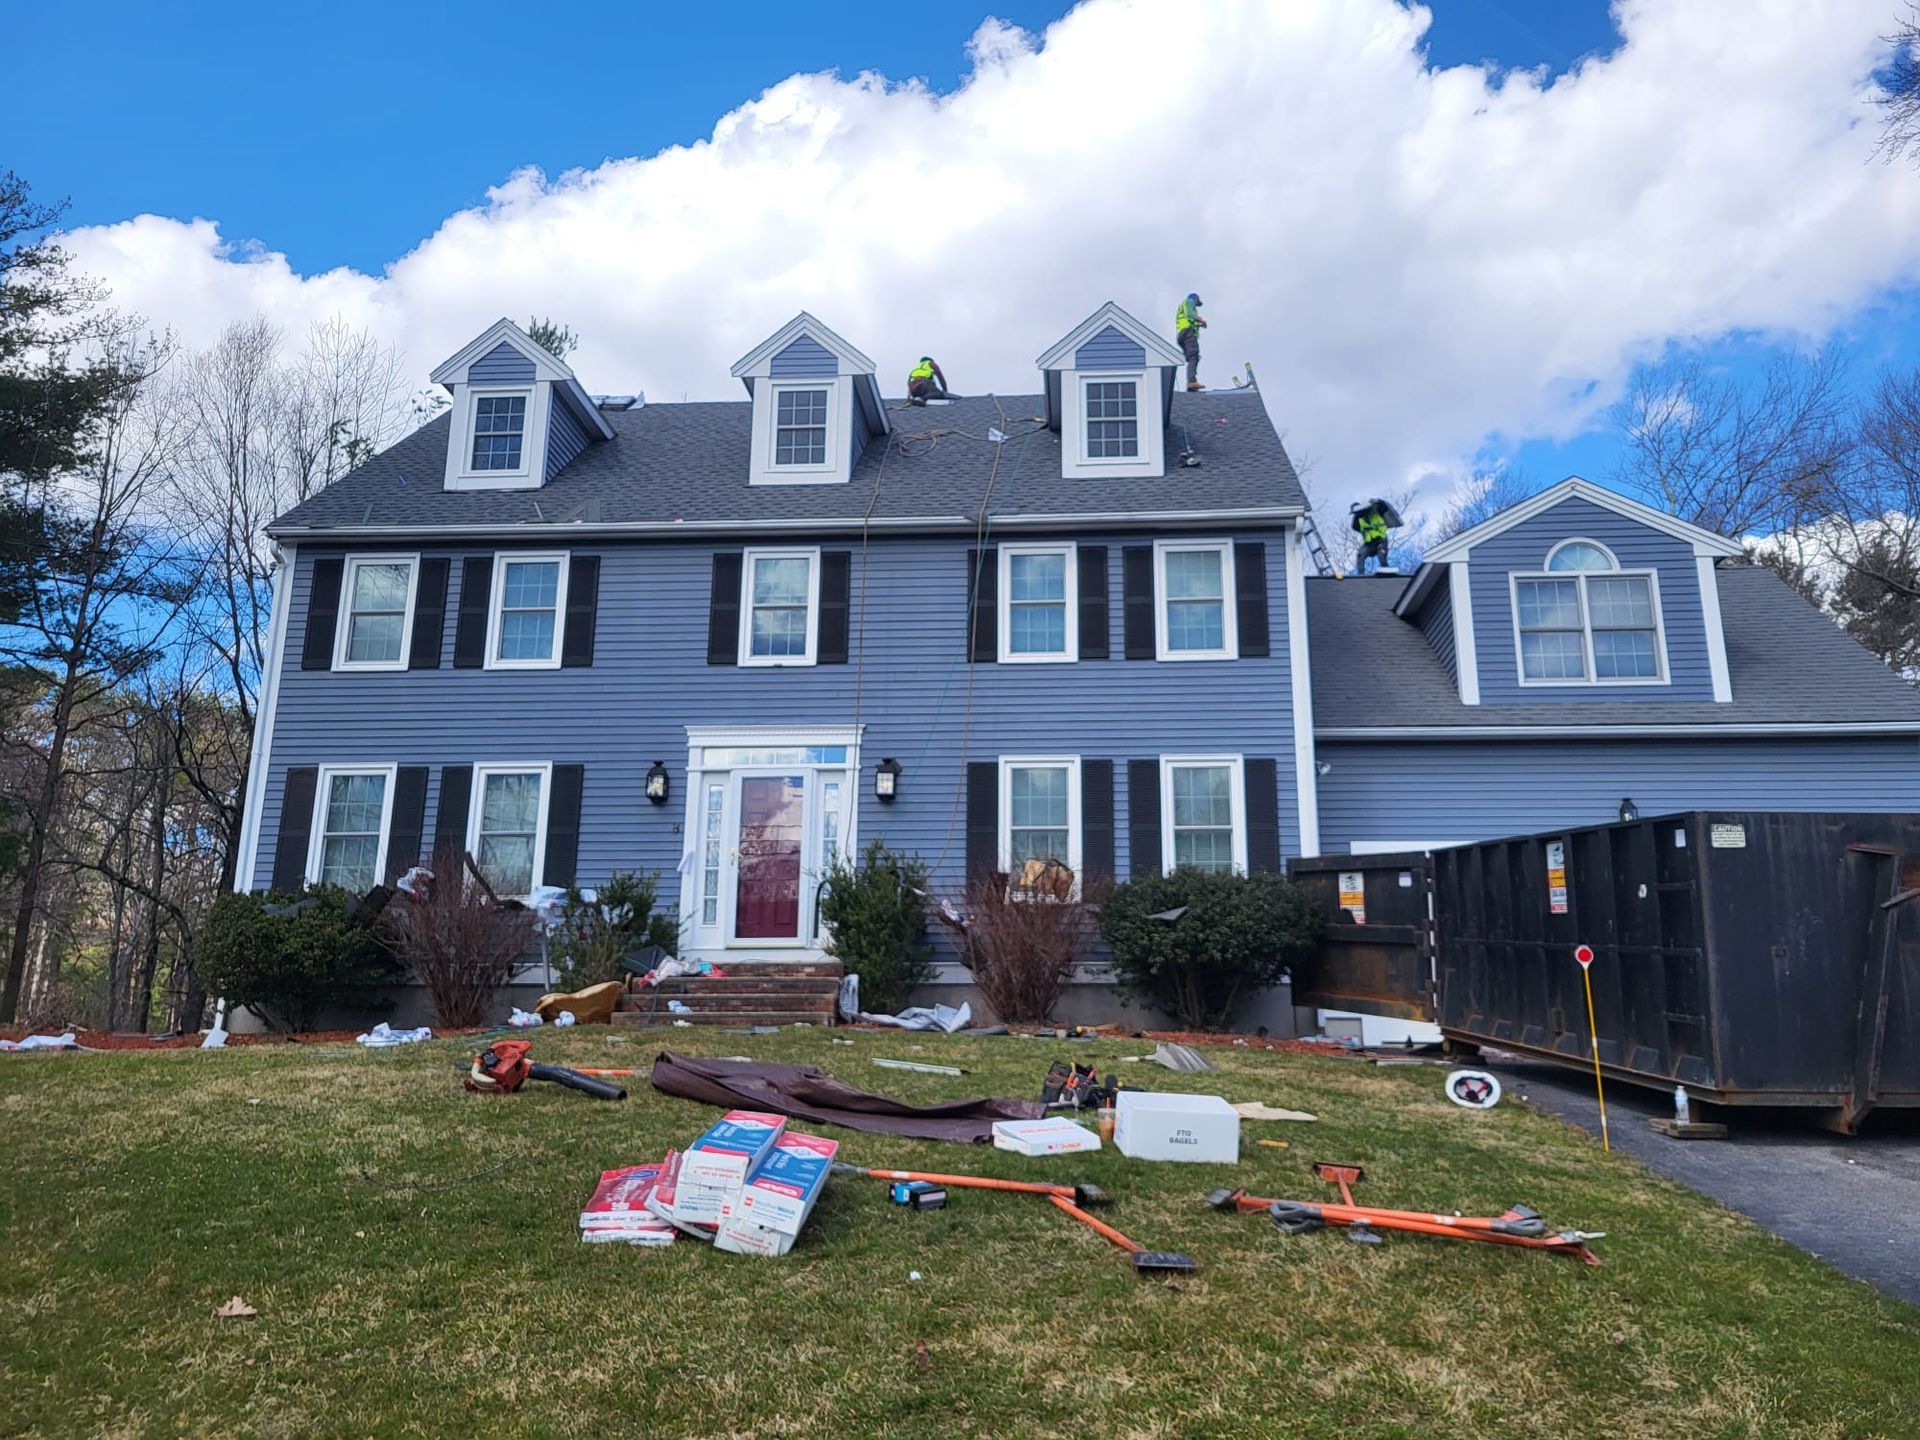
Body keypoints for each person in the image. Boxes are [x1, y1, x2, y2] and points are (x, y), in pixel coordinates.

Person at [1174, 293, 1206, 391]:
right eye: (1196, 303)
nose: (1196, 305)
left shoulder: (1181, 308)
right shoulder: (1189, 301)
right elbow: (1190, 314)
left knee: (1192, 358)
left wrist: (1199, 324)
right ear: (1195, 299)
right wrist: (1200, 319)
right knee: (1194, 356)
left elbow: (1188, 318)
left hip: (1181, 335)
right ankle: (1191, 382)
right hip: (1188, 333)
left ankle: (1192, 383)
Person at [1350, 500, 1392, 575]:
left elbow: (1384, 508)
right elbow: (1354, 526)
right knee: (1360, 555)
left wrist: (1378, 502)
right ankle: (1360, 575)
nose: (1358, 514)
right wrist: (1356, 514)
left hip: (1381, 540)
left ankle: (1386, 571)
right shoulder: (1358, 521)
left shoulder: (1376, 511)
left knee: (1381, 555)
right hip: (1370, 544)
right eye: (1356, 513)